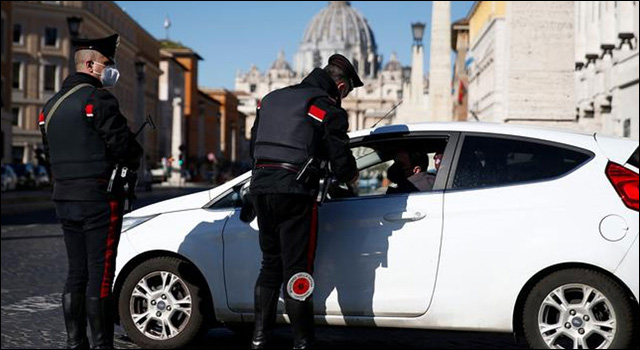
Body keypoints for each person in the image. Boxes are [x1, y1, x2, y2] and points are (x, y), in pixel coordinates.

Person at [249, 54, 361, 349]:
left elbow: (254, 146)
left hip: (260, 188)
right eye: (346, 92)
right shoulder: (323, 105)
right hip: (295, 193)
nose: (344, 99)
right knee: (298, 268)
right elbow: (338, 151)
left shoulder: (271, 100)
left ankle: (260, 339)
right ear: (339, 85)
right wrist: (350, 177)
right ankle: (302, 342)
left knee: (270, 264)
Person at [39, 34, 142, 349]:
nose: (112, 70)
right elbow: (125, 147)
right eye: (108, 64)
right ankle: (101, 345)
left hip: (64, 197)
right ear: (91, 64)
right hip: (98, 198)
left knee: (76, 271)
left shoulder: (51, 105)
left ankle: (75, 343)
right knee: (100, 272)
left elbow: (48, 153)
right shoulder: (98, 100)